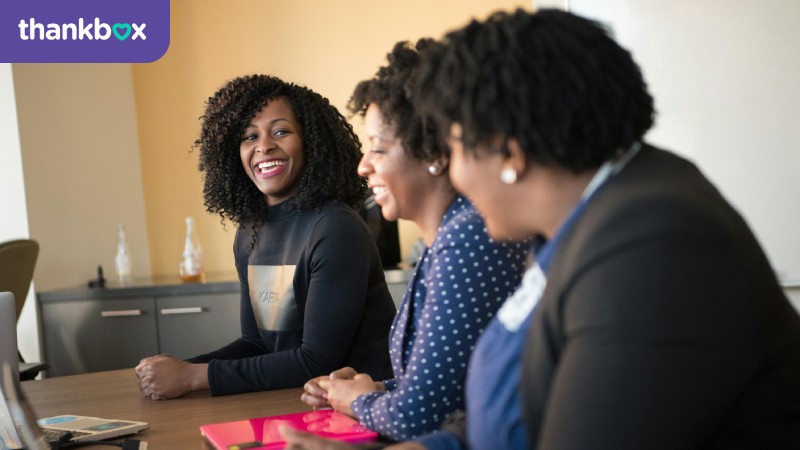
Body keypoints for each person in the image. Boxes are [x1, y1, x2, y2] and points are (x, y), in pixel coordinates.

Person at [284, 8, 800, 450]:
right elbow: (515, 413)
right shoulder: (589, 221)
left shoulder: (654, 242)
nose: (455, 175)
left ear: (509, 151)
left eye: (457, 149)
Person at [299, 39, 529, 442]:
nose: (363, 165)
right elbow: (448, 387)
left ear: (434, 152)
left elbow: (419, 418)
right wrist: (368, 390)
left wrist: (357, 401)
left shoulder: (468, 238)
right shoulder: (445, 237)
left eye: (378, 149)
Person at [135, 74, 396, 400]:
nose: (264, 146)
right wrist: (179, 369)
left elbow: (315, 360)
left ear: (311, 142)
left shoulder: (335, 227)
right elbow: (257, 344)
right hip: (291, 401)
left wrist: (192, 377)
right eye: (249, 136)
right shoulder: (250, 232)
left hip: (362, 413)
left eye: (281, 131)